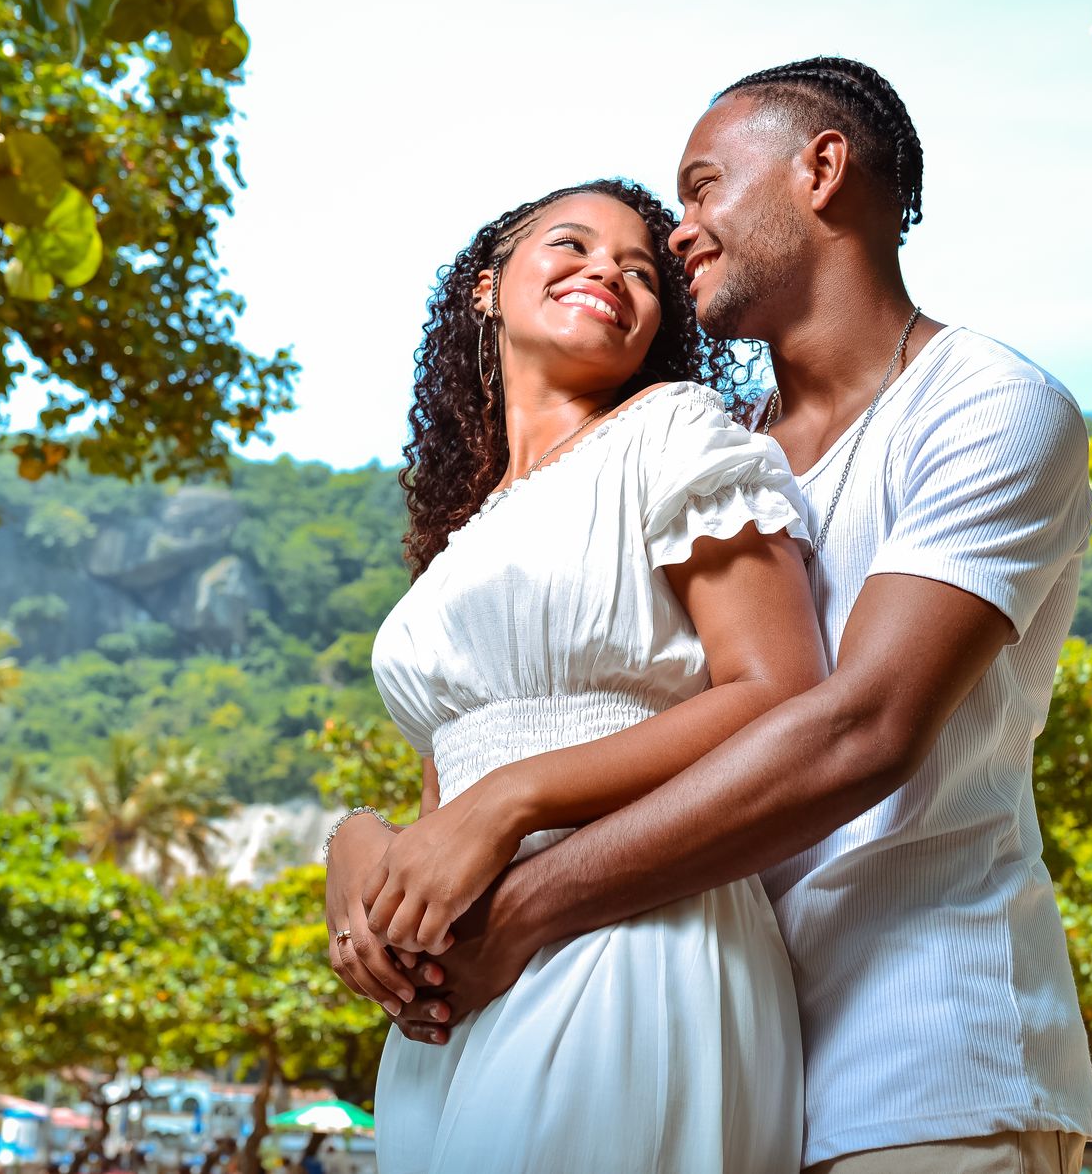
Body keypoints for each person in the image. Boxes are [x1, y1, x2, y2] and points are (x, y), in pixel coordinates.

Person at [340, 58, 1092, 1174]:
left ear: (822, 167)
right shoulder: (724, 448)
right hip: (715, 1025)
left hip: (924, 1052)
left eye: (701, 190)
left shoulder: (987, 405)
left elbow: (861, 731)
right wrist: (367, 846)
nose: (680, 228)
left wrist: (525, 900)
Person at [322, 178, 827, 1173]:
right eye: (572, 243)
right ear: (486, 287)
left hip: (635, 934)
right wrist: (361, 845)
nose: (609, 269)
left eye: (642, 269)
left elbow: (779, 694)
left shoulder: (674, 432)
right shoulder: (463, 539)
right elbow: (450, 787)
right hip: (461, 988)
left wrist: (514, 799)